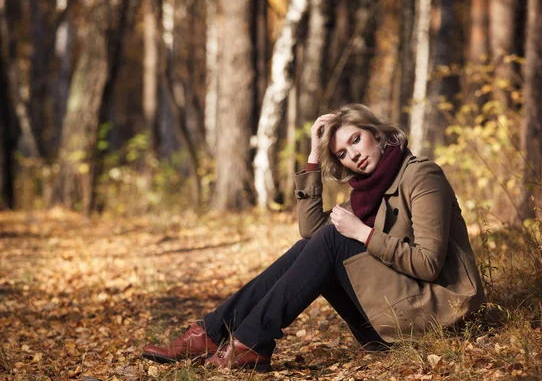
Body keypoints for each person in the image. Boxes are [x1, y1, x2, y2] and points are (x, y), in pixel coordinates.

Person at [141, 103, 486, 372]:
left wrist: (364, 235)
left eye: (356, 140)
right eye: (342, 154)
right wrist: (312, 158)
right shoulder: (369, 190)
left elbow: (428, 264)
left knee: (335, 238)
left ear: (377, 133)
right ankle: (215, 334)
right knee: (318, 242)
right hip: (386, 326)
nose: (354, 155)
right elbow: (310, 233)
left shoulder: (421, 175)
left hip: (436, 315)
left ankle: (245, 342)